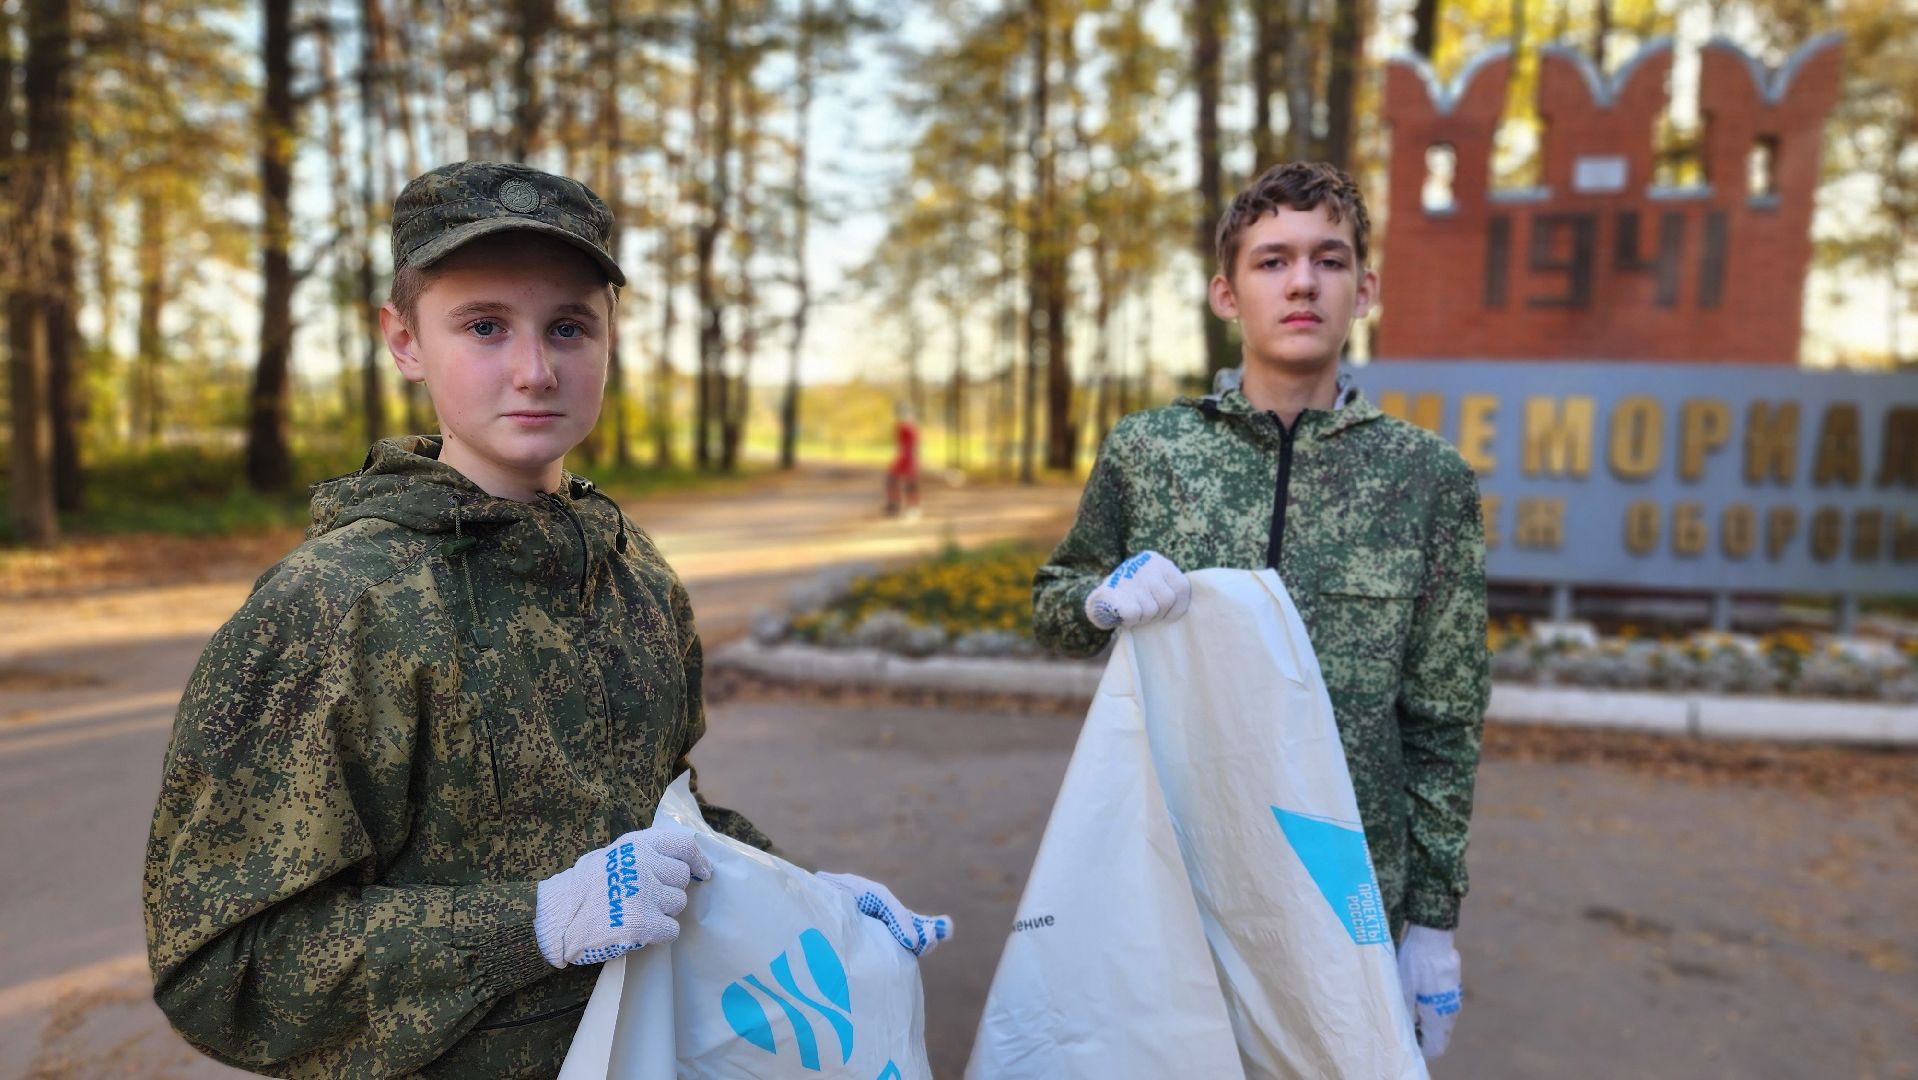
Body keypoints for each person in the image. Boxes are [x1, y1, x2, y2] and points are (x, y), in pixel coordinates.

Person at [143, 161, 946, 1079]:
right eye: (484, 327)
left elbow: (667, 816)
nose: (534, 369)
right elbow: (224, 970)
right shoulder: (334, 607)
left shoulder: (631, 569)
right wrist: (531, 923)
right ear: (403, 340)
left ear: (609, 340)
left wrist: (811, 898)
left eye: (569, 327)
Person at [1032, 161, 1487, 1059]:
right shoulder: (1152, 451)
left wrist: (1431, 923)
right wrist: (1096, 598)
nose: (1303, 282)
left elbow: (1445, 715)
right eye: (1273, 261)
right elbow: (1052, 606)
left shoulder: (1425, 479)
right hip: (1167, 871)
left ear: (1365, 289)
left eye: (1329, 258)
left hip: (1345, 884)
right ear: (1226, 293)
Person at [885, 401, 921, 518]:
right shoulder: (902, 426)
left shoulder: (910, 427)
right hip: (902, 458)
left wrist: (914, 460)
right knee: (892, 479)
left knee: (910, 484)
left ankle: (913, 507)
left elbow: (914, 445)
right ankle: (894, 505)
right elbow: (900, 445)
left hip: (909, 458)